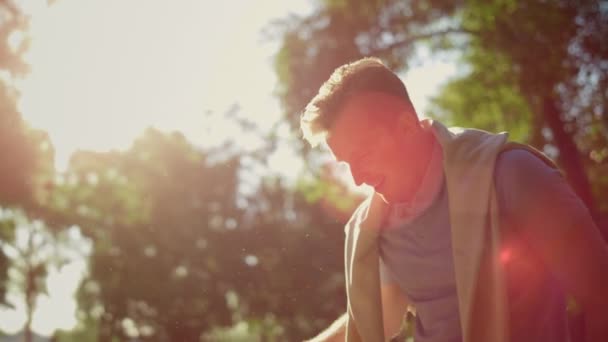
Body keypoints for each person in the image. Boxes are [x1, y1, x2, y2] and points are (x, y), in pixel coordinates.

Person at [300, 57, 608, 342]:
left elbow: (600, 295)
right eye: (346, 163)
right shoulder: (374, 225)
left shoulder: (511, 174)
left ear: (406, 127)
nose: (357, 178)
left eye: (363, 155)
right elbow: (377, 317)